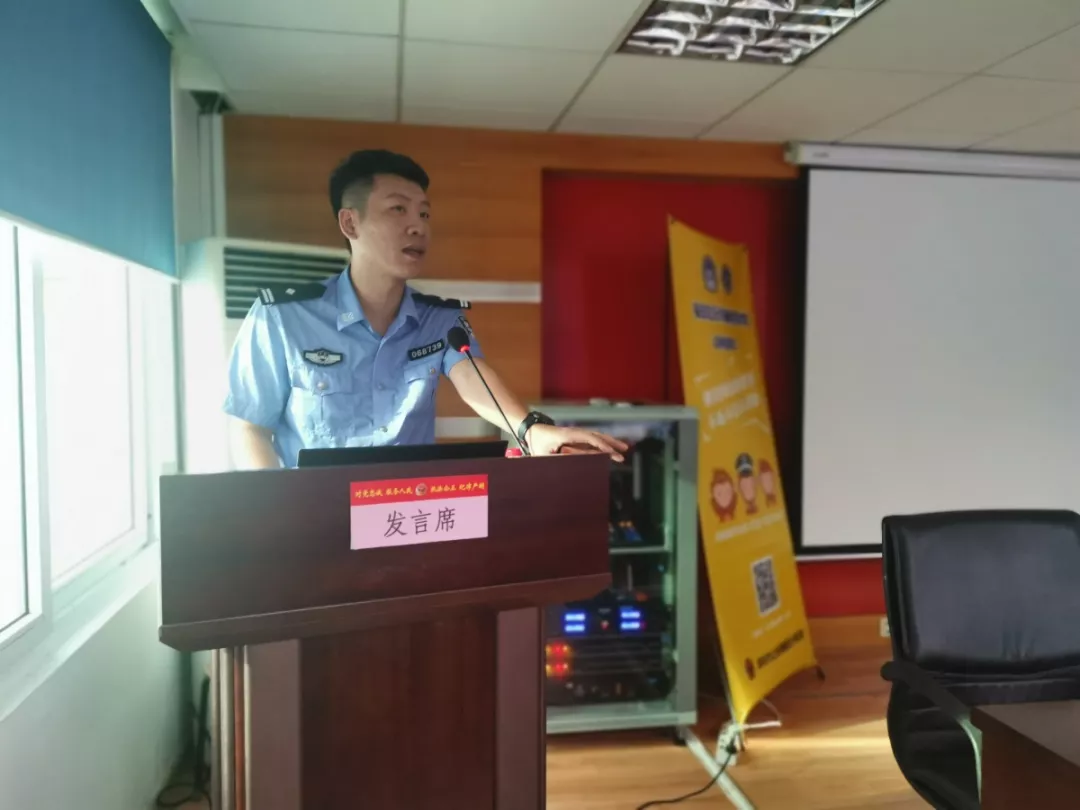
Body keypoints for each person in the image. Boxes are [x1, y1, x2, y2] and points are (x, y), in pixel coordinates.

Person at [224, 149, 628, 470]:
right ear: (350, 224)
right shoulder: (284, 317)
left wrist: (531, 430)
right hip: (318, 520)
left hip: (408, 514)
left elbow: (472, 376)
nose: (418, 226)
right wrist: (280, 512)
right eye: (398, 210)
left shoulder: (440, 319)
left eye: (424, 213)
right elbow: (248, 426)